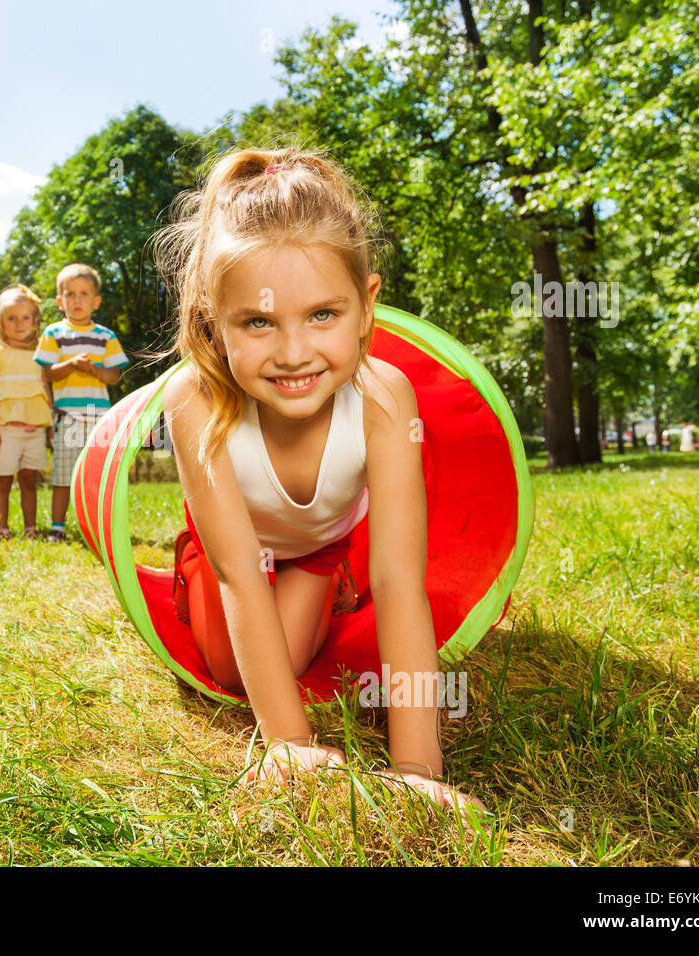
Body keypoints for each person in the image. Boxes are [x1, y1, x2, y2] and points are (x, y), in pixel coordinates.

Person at [154, 146, 485, 815]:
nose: (295, 352)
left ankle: (327, 584)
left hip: (317, 550)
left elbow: (397, 582)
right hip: (234, 555)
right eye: (258, 322)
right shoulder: (195, 399)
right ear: (214, 323)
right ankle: (181, 565)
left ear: (367, 307)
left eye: (323, 315)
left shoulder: (385, 397)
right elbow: (240, 574)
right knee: (229, 671)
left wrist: (418, 768)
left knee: (296, 653)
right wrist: (289, 745)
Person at [35, 263, 129, 542]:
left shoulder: (106, 336)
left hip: (99, 417)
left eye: (85, 294)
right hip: (68, 415)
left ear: (96, 301)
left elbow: (114, 377)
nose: (78, 300)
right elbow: (47, 373)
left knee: (97, 476)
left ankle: (98, 527)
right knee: (63, 474)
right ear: (60, 301)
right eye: (71, 294)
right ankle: (58, 526)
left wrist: (95, 371)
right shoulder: (54, 333)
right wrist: (72, 364)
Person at [0, 284, 52, 539]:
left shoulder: (41, 351)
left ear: (34, 321)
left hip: (35, 428)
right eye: (11, 318)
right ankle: (3, 527)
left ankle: (30, 528)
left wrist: (51, 424)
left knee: (29, 480)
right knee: (3, 480)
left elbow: (45, 388)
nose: (19, 324)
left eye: (25, 318)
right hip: (4, 428)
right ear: (1, 321)